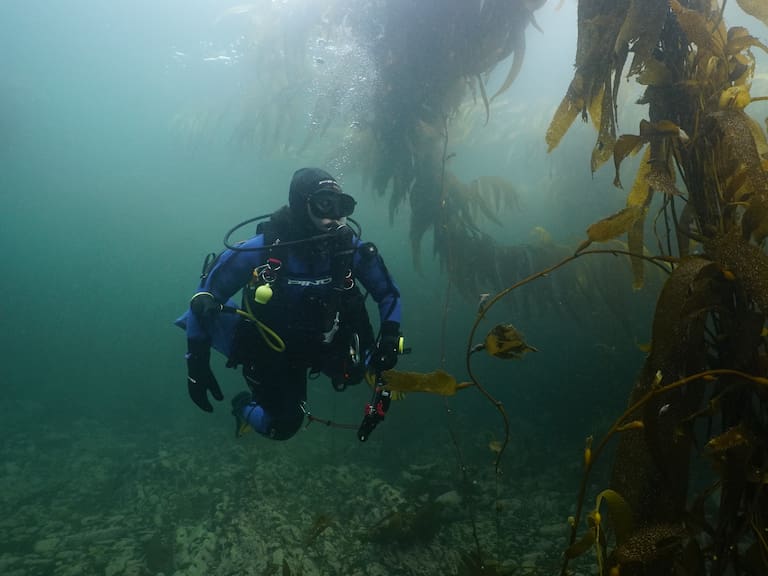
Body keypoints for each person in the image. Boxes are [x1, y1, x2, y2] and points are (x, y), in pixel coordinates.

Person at [176, 167, 403, 441]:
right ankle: (243, 408)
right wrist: (197, 364)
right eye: (324, 204)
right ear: (300, 203)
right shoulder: (264, 248)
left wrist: (389, 337)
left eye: (341, 206)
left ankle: (363, 366)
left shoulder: (350, 249)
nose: (334, 215)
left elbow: (388, 293)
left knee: (357, 371)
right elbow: (203, 299)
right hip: (272, 348)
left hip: (325, 340)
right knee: (284, 426)